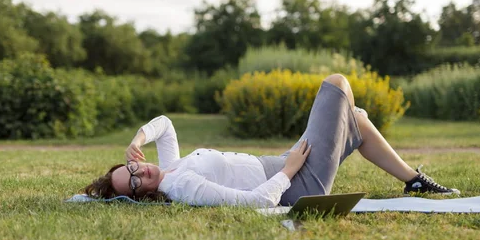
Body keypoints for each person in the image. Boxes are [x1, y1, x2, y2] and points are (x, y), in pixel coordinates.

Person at [84, 74, 460, 207]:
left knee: (357, 118)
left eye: (132, 168)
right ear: (141, 196)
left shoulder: (169, 170)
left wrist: (138, 137)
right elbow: (254, 202)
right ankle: (413, 180)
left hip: (281, 163)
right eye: (134, 184)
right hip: (294, 183)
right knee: (337, 85)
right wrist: (290, 170)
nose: (139, 174)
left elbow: (165, 125)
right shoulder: (184, 187)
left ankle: (414, 180)